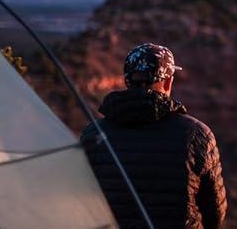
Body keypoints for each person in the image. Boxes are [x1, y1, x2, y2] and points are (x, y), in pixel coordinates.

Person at [82, 43, 227, 229]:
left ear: (127, 80)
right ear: (168, 82)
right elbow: (215, 211)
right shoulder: (196, 135)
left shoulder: (94, 133)